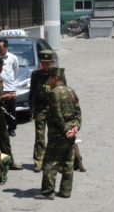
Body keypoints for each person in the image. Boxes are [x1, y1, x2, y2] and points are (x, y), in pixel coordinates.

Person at [35, 68, 81, 200]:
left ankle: (48, 192)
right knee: (68, 162)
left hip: (58, 134)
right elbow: (78, 112)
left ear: (56, 78)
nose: (48, 80)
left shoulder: (54, 93)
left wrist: (65, 130)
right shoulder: (71, 91)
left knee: (50, 162)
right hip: (70, 133)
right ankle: (65, 191)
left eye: (50, 77)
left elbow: (57, 115)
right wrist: (75, 127)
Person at [29, 50, 66, 173]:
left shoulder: (58, 74)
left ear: (52, 62)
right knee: (39, 137)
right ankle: (38, 161)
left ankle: (55, 161)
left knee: (54, 136)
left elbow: (64, 92)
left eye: (47, 63)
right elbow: (32, 91)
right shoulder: (36, 74)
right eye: (43, 63)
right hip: (40, 109)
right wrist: (31, 108)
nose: (45, 65)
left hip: (53, 110)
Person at [0, 56, 23, 170]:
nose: (1, 68)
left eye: (2, 66)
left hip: (0, 113)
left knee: (5, 139)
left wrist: (7, 96)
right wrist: (3, 96)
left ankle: (7, 163)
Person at [0, 38, 19, 137]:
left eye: (0, 47)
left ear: (6, 47)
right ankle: (1, 128)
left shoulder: (13, 58)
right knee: (0, 110)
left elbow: (16, 70)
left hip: (10, 88)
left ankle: (12, 128)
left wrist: (11, 82)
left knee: (11, 110)